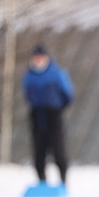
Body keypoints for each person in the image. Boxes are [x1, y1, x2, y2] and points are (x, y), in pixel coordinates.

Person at [21, 44, 74, 186]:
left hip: (53, 114)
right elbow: (27, 94)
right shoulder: (29, 76)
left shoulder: (57, 73)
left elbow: (68, 94)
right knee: (39, 150)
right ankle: (42, 181)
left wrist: (57, 107)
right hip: (37, 115)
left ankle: (63, 180)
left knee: (58, 148)